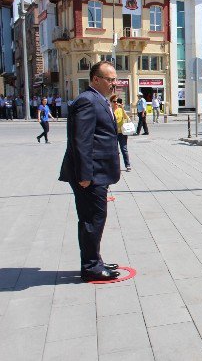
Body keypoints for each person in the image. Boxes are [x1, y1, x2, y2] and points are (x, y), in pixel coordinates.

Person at [59, 61, 121, 282]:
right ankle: (91, 267)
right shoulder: (87, 101)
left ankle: (95, 259)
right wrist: (84, 175)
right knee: (92, 219)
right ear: (96, 79)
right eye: (110, 79)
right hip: (90, 175)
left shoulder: (99, 100)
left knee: (96, 217)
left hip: (98, 172)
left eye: (114, 79)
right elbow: (81, 141)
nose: (114, 83)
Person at [112, 95, 132, 170]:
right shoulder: (110, 110)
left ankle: (127, 165)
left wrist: (122, 108)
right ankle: (116, 166)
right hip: (113, 133)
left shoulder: (120, 110)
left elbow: (126, 117)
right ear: (111, 102)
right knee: (115, 150)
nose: (116, 103)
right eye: (114, 102)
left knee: (124, 149)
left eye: (117, 102)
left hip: (122, 132)